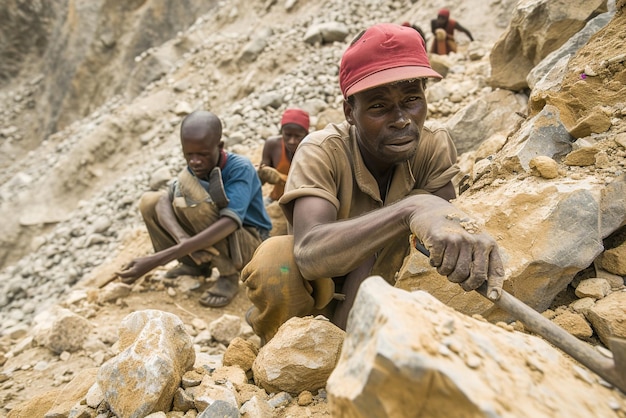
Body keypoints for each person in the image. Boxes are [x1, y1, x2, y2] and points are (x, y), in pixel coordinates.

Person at [241, 23, 504, 345]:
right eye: (379, 106)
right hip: (320, 281)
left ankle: (362, 338)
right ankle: (287, 349)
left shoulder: (433, 145)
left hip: (385, 281)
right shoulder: (321, 150)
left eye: (412, 100)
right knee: (274, 263)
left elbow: (445, 234)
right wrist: (411, 207)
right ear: (350, 112)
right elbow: (309, 253)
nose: (402, 119)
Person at [117, 110, 272, 308]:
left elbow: (230, 222)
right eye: (189, 154)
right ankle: (194, 266)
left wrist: (156, 260)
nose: (195, 161)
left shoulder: (240, 168)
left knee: (194, 203)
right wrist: (183, 240)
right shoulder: (197, 166)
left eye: (202, 154)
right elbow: (164, 200)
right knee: (151, 201)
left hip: (252, 244)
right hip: (221, 239)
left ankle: (228, 276)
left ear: (220, 146)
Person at [257, 108, 310, 204]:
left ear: (307, 135)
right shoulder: (272, 145)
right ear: (281, 132)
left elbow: (310, 185)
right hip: (277, 200)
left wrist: (280, 177)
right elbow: (258, 182)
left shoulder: (311, 150)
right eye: (287, 135)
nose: (292, 141)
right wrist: (261, 173)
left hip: (303, 202)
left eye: (298, 136)